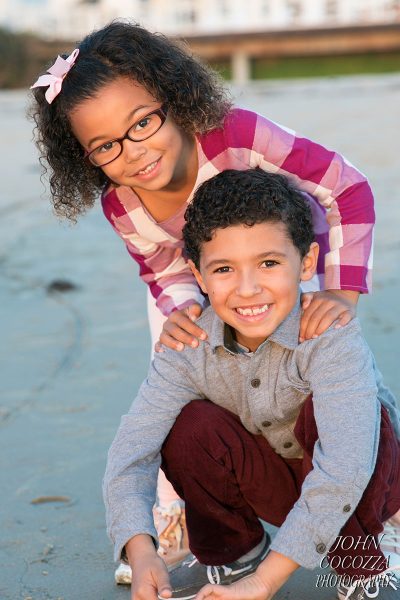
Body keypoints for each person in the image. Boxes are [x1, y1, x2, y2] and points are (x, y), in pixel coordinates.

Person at [30, 20, 374, 575]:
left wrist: (341, 288)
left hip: (283, 267)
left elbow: (345, 186)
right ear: (83, 157)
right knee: (174, 382)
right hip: (198, 284)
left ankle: (370, 517)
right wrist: (184, 311)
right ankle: (177, 517)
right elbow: (162, 267)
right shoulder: (123, 204)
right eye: (105, 146)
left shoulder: (235, 134)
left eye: (142, 122)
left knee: (316, 372)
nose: (134, 152)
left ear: (174, 98)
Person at [103, 169, 400, 600]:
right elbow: (132, 450)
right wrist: (140, 549)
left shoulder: (330, 333)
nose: (247, 289)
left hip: (365, 477)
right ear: (199, 277)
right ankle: (237, 554)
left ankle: (364, 554)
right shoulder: (188, 344)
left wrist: (266, 585)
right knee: (189, 426)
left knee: (346, 416)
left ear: (308, 262)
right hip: (277, 482)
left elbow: (346, 467)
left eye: (269, 263)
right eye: (223, 268)